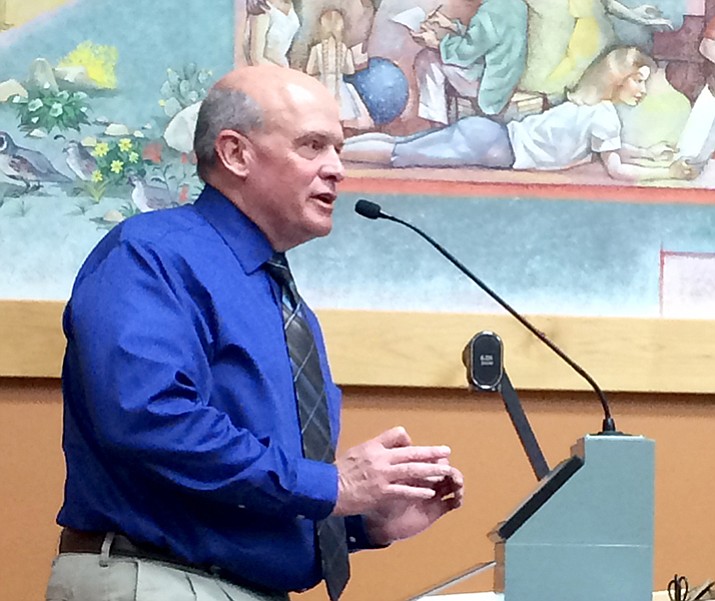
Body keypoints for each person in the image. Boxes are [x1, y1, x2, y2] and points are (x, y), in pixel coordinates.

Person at [45, 65, 464, 601]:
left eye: (338, 149)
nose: (336, 169)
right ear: (235, 153)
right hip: (158, 580)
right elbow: (149, 418)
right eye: (312, 146)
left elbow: (253, 491)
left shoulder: (281, 298)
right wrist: (332, 485)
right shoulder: (152, 255)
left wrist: (360, 520)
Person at [342, 47, 701, 183]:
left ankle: (339, 148)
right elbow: (617, 169)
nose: (641, 89)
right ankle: (337, 151)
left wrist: (650, 154)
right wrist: (666, 171)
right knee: (398, 154)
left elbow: (613, 151)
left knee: (399, 146)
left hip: (488, 137)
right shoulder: (604, 115)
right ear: (618, 80)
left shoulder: (591, 106)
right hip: (491, 145)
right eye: (637, 80)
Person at [409, 0, 528, 124]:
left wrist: (435, 43)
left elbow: (466, 53)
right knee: (434, 57)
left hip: (488, 85)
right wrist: (451, 26)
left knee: (426, 58)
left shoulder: (491, 11)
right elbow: (487, 38)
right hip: (505, 78)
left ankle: (437, 123)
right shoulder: (516, 4)